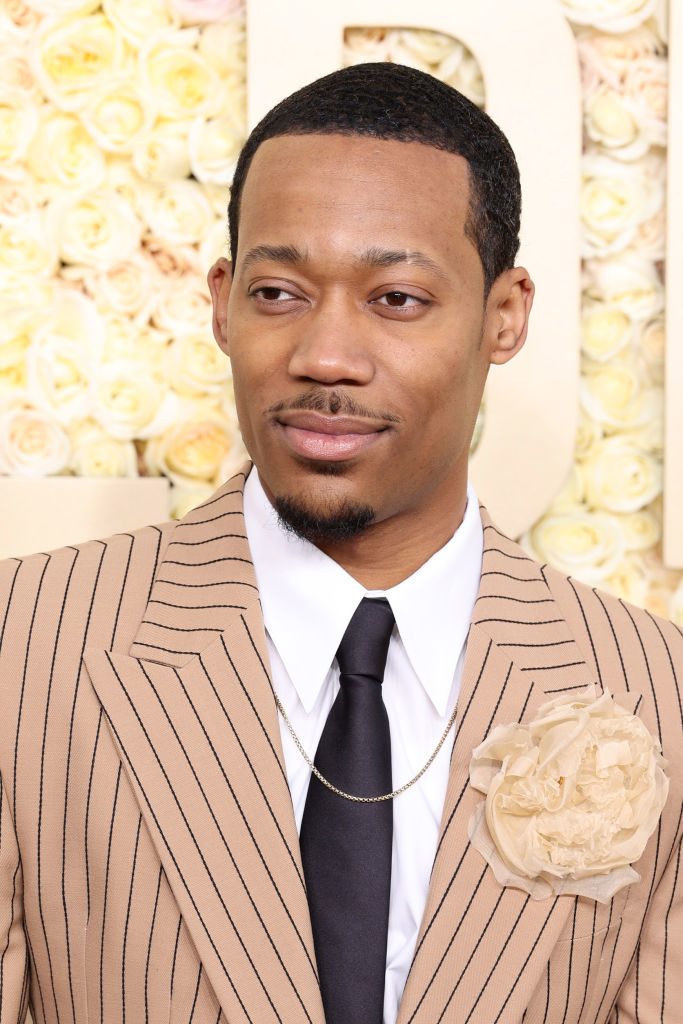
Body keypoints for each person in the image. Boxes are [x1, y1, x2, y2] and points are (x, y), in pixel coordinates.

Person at [0, 62, 680, 1024]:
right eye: (279, 292)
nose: (323, 356)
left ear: (504, 314)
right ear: (221, 303)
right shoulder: (22, 644)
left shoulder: (655, 688)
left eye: (395, 300)